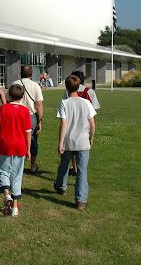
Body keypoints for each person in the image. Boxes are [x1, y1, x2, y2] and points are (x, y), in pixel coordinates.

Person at [0, 84, 32, 217]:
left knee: (4, 171)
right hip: (20, 146)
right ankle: (15, 207)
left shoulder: (3, 109)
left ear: (9, 96)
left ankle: (7, 195)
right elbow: (28, 132)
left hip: (6, 145)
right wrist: (28, 149)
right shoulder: (24, 111)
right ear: (22, 96)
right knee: (17, 176)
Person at [54, 75, 97, 210]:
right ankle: (81, 200)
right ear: (79, 87)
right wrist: (91, 137)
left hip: (68, 140)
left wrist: (60, 142)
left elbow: (63, 124)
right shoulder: (86, 103)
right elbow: (92, 124)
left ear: (66, 87)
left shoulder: (64, 103)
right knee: (82, 171)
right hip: (83, 141)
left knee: (64, 165)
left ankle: (61, 186)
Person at [62, 70, 100, 176]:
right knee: (82, 148)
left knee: (72, 148)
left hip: (70, 123)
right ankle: (80, 170)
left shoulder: (67, 92)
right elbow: (95, 108)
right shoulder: (90, 91)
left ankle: (74, 168)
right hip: (86, 124)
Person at [11, 65, 44, 174]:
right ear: (31, 73)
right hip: (30, 116)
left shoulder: (15, 83)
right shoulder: (35, 85)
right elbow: (39, 104)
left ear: (21, 73)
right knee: (33, 140)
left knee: (15, 138)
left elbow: (7, 100)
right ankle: (32, 165)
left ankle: (15, 163)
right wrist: (40, 120)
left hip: (15, 114)